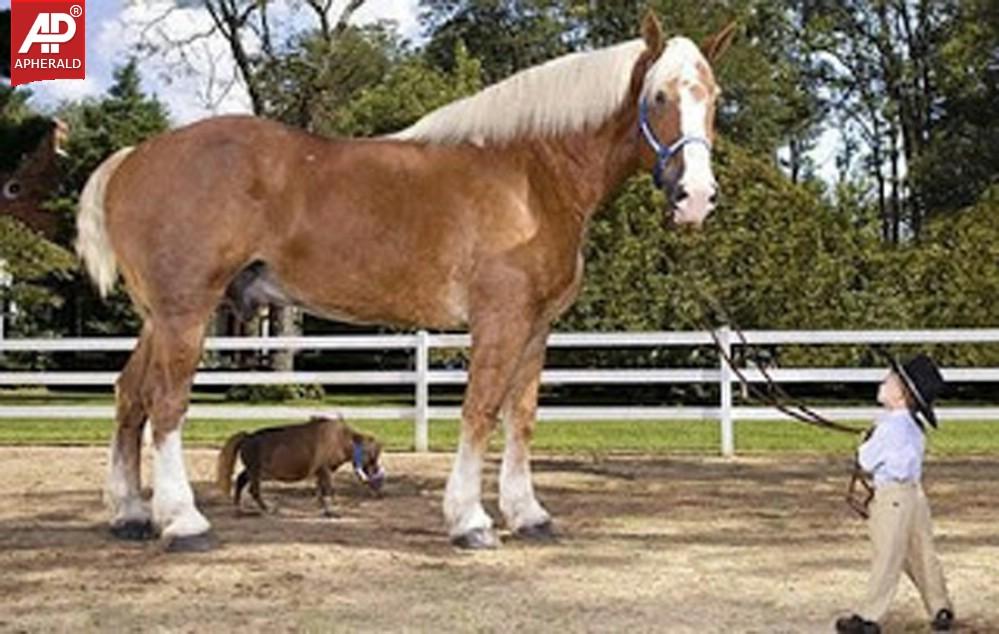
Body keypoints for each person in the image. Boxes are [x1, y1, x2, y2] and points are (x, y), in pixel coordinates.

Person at [836, 353, 954, 634]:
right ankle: (940, 606)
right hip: (914, 495)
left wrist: (864, 443)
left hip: (891, 498)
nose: (884, 381)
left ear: (902, 394)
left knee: (887, 555)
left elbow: (865, 461)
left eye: (890, 379)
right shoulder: (913, 427)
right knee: (922, 553)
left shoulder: (889, 427)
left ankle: (869, 617)